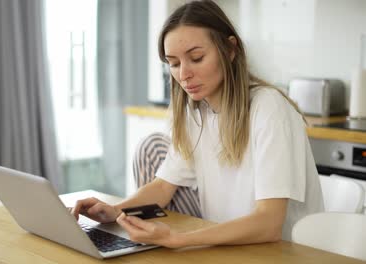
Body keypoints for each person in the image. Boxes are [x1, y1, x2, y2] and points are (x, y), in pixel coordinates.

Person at [71, 0, 324, 248]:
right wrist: (114, 211)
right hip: (225, 245)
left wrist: (177, 239)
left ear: (230, 49)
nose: (183, 74)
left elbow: (269, 224)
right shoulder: (196, 113)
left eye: (196, 57)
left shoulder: (269, 108)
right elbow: (163, 186)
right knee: (151, 147)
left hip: (278, 252)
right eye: (174, 63)